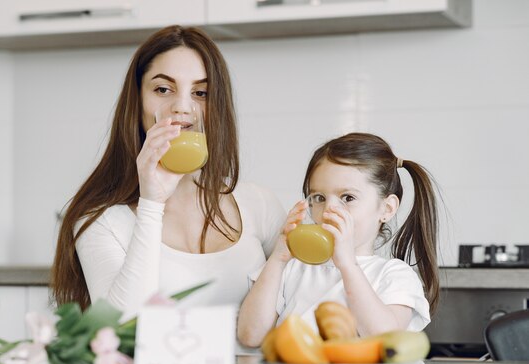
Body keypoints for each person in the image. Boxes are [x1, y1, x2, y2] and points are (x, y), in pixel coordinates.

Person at [50, 25, 285, 319]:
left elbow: (304, 305)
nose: (182, 108)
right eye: (163, 89)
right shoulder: (102, 220)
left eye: (201, 92)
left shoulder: (258, 204)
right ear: (137, 102)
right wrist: (152, 202)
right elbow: (122, 326)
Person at [238, 132, 440, 347]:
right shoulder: (291, 269)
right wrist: (278, 259)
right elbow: (251, 336)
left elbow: (386, 341)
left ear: (386, 208)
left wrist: (347, 264)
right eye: (319, 198)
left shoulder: (394, 275)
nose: (328, 210)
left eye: (348, 198)